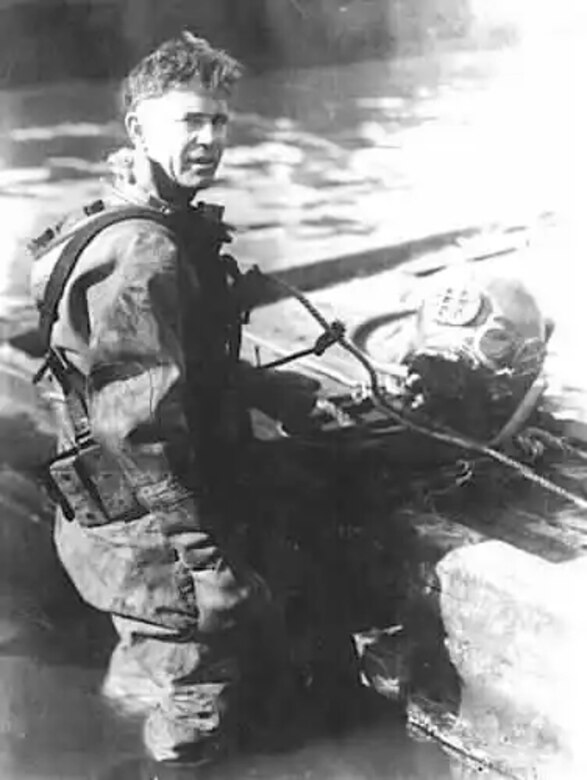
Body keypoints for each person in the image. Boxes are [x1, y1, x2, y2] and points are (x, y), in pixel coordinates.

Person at [30, 31, 338, 776]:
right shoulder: (147, 251)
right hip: (150, 532)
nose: (208, 140)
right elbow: (136, 428)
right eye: (188, 122)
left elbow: (143, 374)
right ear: (139, 129)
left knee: (173, 674)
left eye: (219, 122)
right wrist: (205, 565)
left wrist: (266, 388)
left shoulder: (123, 216)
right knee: (197, 715)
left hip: (112, 517)